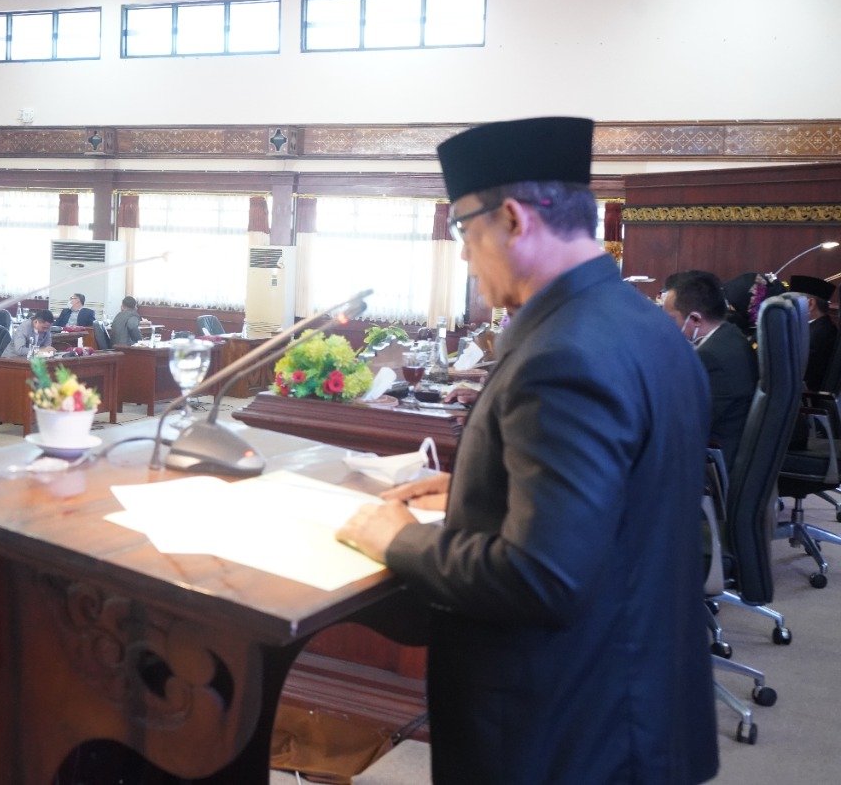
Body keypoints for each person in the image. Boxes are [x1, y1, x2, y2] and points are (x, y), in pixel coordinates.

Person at [335, 117, 718, 784]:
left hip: (566, 728)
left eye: (462, 228)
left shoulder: (563, 353)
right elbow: (630, 503)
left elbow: (540, 576)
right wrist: (484, 491)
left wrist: (397, 538)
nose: (462, 254)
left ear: (512, 219)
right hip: (638, 695)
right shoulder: (646, 324)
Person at [662, 270, 759, 465]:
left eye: (670, 319)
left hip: (711, 461)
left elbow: (683, 425)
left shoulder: (712, 358)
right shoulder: (729, 335)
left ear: (696, 319)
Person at [787, 274, 837, 392]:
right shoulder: (818, 327)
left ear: (810, 304)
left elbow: (800, 374)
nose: (788, 307)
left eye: (792, 302)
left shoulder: (820, 335)